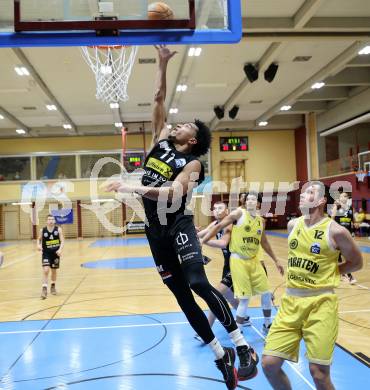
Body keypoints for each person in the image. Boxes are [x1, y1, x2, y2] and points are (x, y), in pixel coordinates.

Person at [106, 45, 258, 389]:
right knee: (181, 297)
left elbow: (174, 193)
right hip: (154, 232)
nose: (178, 123)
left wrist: (134, 188)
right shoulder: (160, 141)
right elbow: (158, 99)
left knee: (198, 283)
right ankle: (222, 356)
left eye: (186, 125)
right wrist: (161, 63)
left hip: (178, 225)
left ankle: (243, 346)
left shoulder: (192, 164)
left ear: (191, 140)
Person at [262, 182, 363, 390]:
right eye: (302, 192)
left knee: (318, 374)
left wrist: (332, 272)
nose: (302, 195)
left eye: (310, 192)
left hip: (321, 303)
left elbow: (357, 262)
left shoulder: (336, 231)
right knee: (269, 364)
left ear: (321, 200)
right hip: (290, 302)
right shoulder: (292, 226)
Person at [201, 192, 284, 335]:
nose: (217, 211)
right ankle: (240, 322)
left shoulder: (255, 220)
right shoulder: (232, 217)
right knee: (231, 296)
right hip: (235, 263)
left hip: (247, 262)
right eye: (247, 199)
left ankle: (265, 323)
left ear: (258, 203)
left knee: (223, 295)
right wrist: (199, 240)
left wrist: (276, 260)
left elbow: (263, 242)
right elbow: (211, 231)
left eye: (253, 199)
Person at [195, 201, 250, 340]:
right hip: (228, 264)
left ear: (227, 211)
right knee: (229, 296)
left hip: (238, 263)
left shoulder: (230, 224)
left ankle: (206, 331)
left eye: (220, 208)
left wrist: (204, 241)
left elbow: (223, 243)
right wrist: (193, 232)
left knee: (217, 295)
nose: (217, 210)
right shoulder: (214, 224)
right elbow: (200, 234)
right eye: (214, 208)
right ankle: (244, 317)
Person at [331, 192, 357, 284]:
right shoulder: (336, 207)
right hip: (338, 235)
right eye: (344, 196)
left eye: (347, 196)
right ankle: (349, 276)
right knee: (345, 255)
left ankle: (341, 273)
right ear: (340, 198)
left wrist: (355, 224)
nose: (346, 197)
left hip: (348, 235)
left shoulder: (350, 208)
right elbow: (332, 220)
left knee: (339, 256)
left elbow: (353, 220)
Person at [37, 214, 64, 299]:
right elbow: (39, 239)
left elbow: (62, 241)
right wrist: (38, 245)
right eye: (49, 219)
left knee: (54, 271)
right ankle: (44, 289)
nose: (51, 220)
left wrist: (60, 250)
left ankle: (53, 286)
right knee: (46, 270)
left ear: (54, 221)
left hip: (55, 254)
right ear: (46, 221)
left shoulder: (58, 229)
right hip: (46, 253)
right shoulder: (43, 230)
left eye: (52, 219)